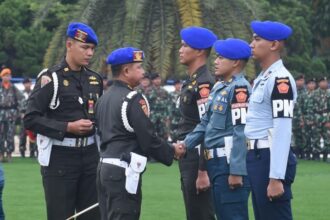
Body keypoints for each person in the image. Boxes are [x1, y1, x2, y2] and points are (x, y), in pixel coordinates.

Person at [95, 47, 185, 220]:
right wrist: (172, 151)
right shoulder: (133, 99)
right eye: (139, 67)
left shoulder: (104, 98)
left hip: (103, 169)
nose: (143, 72)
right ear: (126, 70)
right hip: (122, 171)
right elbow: (148, 139)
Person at [24, 22, 102, 220]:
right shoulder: (51, 78)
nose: (90, 53)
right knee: (61, 216)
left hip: (91, 157)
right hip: (60, 157)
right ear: (69, 45)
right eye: (85, 47)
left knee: (93, 215)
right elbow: (30, 119)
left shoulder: (95, 79)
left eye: (92, 48)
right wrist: (68, 127)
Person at [183, 38, 252, 219]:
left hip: (228, 163)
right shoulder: (220, 87)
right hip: (215, 163)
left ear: (235, 62)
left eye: (221, 58)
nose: (215, 61)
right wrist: (185, 145)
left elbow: (240, 130)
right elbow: (205, 123)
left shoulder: (240, 89)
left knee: (233, 215)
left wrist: (236, 171)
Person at [244, 20, 297, 220]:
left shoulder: (280, 80)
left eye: (257, 39)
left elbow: (282, 129)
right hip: (258, 156)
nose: (251, 44)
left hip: (269, 158)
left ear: (274, 45)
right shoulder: (263, 78)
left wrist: (276, 176)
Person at [177, 26, 216, 220]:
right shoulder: (192, 81)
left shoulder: (204, 84)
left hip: (197, 157)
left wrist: (203, 170)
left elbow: (207, 127)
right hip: (188, 155)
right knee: (193, 212)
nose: (180, 49)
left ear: (200, 51)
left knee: (201, 213)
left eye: (185, 45)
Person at [0, 68, 24, 162]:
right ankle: (1, 154)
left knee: (10, 135)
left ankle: (9, 154)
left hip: (11, 114)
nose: (7, 77)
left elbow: (22, 99)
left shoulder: (14, 88)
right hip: (1, 114)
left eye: (8, 75)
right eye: (5, 75)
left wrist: (21, 111)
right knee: (1, 135)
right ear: (2, 77)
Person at [310, 77, 330, 162]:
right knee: (316, 137)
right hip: (316, 116)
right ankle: (316, 155)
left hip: (326, 116)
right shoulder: (314, 93)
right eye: (322, 81)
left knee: (327, 137)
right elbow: (310, 108)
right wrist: (312, 119)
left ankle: (326, 155)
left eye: (325, 81)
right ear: (319, 83)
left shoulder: (329, 93)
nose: (324, 83)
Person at [148, 73, 171, 140]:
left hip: (162, 117)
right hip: (152, 116)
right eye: (155, 79)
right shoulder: (148, 91)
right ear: (152, 80)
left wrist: (168, 116)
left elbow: (168, 104)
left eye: (159, 79)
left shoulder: (164, 91)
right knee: (152, 135)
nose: (157, 80)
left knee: (163, 136)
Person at [19, 77, 37, 158]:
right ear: (23, 84)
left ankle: (32, 152)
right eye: (25, 83)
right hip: (23, 117)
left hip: (31, 117)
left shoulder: (34, 93)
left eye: (28, 83)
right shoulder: (20, 94)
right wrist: (20, 113)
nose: (27, 85)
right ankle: (22, 151)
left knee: (32, 134)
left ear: (31, 84)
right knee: (22, 135)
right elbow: (17, 105)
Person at [303, 78, 317, 159]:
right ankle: (307, 153)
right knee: (306, 136)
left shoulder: (317, 94)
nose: (312, 85)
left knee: (315, 136)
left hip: (315, 118)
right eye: (310, 83)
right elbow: (301, 107)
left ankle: (315, 154)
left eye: (313, 83)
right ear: (307, 85)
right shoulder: (304, 94)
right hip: (306, 118)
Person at [292, 74, 306, 158]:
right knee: (294, 135)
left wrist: (303, 118)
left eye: (302, 80)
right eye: (299, 80)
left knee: (302, 135)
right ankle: (296, 152)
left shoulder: (306, 92)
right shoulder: (293, 90)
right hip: (293, 116)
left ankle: (303, 152)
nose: (301, 82)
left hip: (303, 116)